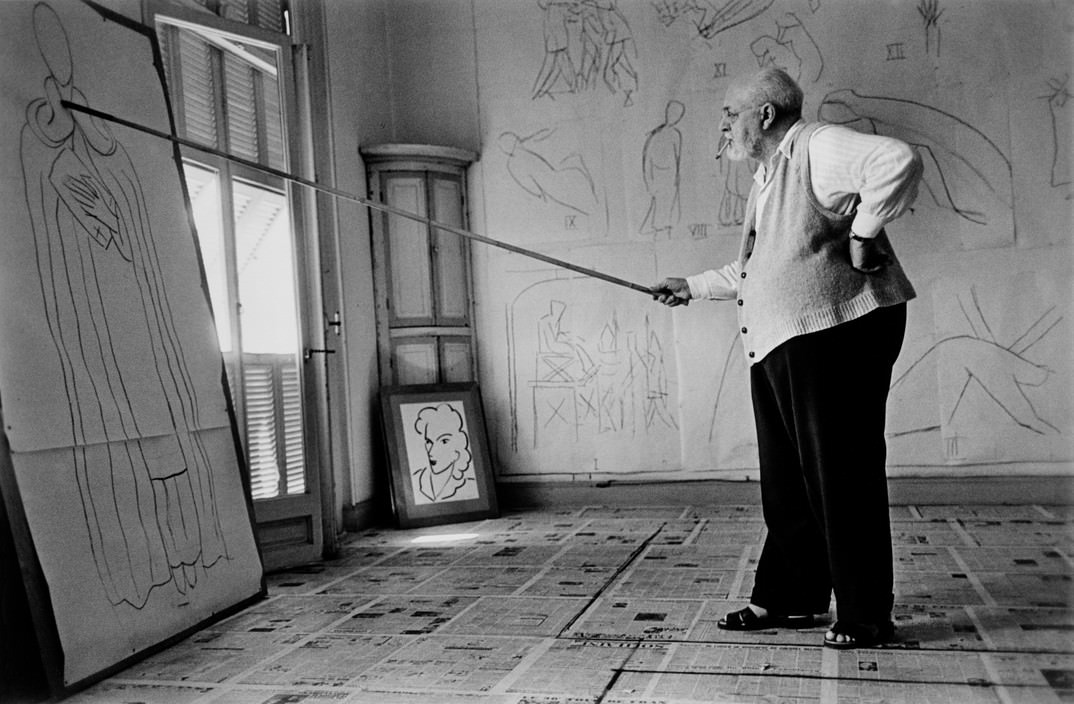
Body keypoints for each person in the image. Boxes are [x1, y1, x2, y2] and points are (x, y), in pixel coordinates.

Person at [652, 67, 923, 649]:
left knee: (840, 477)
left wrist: (864, 232)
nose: (724, 125)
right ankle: (793, 598)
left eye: (732, 113)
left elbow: (896, 159)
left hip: (834, 335)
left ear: (766, 115)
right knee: (788, 484)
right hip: (784, 342)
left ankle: (865, 614)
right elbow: (763, 267)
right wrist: (693, 287)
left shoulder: (816, 147)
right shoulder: (767, 177)